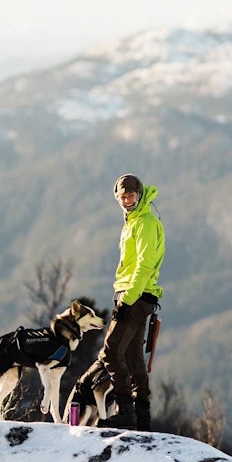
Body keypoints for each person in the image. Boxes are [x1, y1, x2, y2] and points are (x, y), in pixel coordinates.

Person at [86, 174, 165, 430]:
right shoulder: (132, 221)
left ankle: (125, 414)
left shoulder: (146, 223)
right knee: (132, 358)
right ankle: (142, 419)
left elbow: (144, 266)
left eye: (131, 196)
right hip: (135, 295)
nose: (127, 200)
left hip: (136, 296)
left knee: (110, 351)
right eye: (122, 197)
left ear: (139, 195)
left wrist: (126, 301)